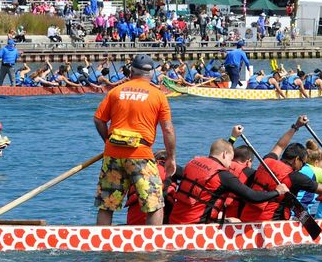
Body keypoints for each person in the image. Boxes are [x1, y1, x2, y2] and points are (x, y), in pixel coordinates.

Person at [93, 54, 176, 226]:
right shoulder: (158, 95)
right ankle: (152, 248)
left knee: (107, 205)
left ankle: (102, 246)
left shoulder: (115, 91)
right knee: (154, 204)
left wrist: (108, 142)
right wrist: (171, 158)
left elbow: (99, 120)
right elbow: (167, 129)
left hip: (113, 153)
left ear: (131, 72)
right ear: (151, 74)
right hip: (140, 155)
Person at [169, 127, 286, 224]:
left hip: (174, 223)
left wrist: (233, 137)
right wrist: (277, 192)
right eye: (231, 158)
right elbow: (253, 197)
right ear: (225, 154)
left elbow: (219, 152)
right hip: (197, 230)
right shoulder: (223, 176)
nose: (231, 163)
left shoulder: (193, 163)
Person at [238, 117, 322, 222]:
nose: (302, 167)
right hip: (270, 227)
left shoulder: (267, 161)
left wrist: (296, 126)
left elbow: (279, 146)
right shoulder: (294, 177)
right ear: (297, 159)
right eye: (303, 163)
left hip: (246, 219)